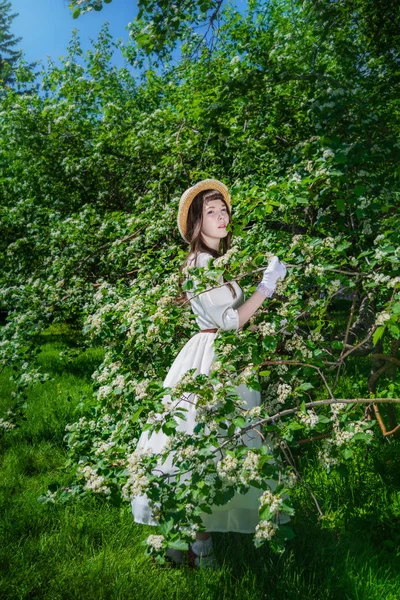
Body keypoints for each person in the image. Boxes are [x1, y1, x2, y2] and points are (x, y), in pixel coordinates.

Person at [130, 179, 287, 568]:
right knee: (206, 442)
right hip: (211, 355)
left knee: (211, 445)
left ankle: (186, 541)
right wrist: (267, 286)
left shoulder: (214, 264)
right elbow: (232, 320)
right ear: (196, 225)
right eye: (211, 212)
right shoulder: (201, 263)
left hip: (217, 353)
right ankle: (197, 545)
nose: (222, 217)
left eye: (224, 210)